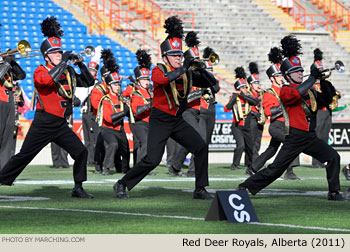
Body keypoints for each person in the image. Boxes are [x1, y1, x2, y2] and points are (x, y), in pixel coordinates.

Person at [113, 16, 217, 200]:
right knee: (152, 159)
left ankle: (200, 188)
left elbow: (213, 83)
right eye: (174, 55)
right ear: (165, 57)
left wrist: (201, 69)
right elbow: (163, 80)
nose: (178, 57)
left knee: (200, 147)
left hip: (177, 120)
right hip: (160, 119)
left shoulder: (186, 73)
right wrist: (185, 67)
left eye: (180, 54)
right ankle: (122, 183)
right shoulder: (158, 69)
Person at [238, 35, 345, 201]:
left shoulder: (308, 89)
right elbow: (296, 94)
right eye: (297, 71)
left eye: (302, 70)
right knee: (276, 169)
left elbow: (326, 99)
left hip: (310, 136)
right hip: (295, 136)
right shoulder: (286, 90)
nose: (301, 73)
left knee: (333, 157)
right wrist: (312, 78)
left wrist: (322, 80)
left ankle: (334, 192)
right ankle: (245, 186)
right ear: (288, 75)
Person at [0, 16, 94, 198]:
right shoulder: (41, 70)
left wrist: (80, 63)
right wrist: (65, 62)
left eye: (60, 51)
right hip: (43, 122)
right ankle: (2, 179)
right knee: (24, 156)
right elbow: (48, 81)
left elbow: (88, 81)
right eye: (55, 52)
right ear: (46, 56)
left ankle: (78, 187)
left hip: (59, 124)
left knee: (81, 152)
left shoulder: (67, 71)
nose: (59, 54)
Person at [248, 47, 300, 180]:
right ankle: (289, 172)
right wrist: (283, 106)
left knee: (272, 149)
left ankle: (253, 167)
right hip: (277, 126)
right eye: (278, 76)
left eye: (282, 75)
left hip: (287, 124)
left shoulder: (286, 89)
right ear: (272, 78)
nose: (281, 78)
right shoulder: (269, 93)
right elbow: (267, 111)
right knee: (293, 143)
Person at [96, 54, 131, 176]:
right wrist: (124, 112)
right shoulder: (105, 99)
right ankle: (106, 167)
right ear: (109, 86)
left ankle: (125, 169)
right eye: (115, 85)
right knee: (113, 144)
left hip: (119, 129)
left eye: (119, 84)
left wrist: (128, 107)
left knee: (125, 148)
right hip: (108, 129)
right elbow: (108, 119)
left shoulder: (121, 99)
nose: (118, 87)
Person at [224, 67, 259, 171]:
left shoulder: (249, 98)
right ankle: (234, 164)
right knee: (240, 146)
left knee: (250, 146)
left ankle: (250, 164)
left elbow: (255, 102)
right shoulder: (234, 98)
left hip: (247, 126)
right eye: (243, 88)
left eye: (245, 87)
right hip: (237, 126)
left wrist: (245, 96)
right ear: (238, 89)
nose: (245, 90)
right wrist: (234, 98)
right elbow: (226, 109)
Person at [0, 48, 26, 170]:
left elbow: (21, 75)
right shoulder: (3, 66)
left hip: (8, 102)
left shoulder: (5, 65)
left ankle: (4, 172)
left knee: (7, 139)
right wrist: (6, 63)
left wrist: (12, 62)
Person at [128, 49, 153, 164]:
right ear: (138, 81)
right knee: (145, 143)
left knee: (150, 146)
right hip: (139, 123)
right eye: (144, 79)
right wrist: (150, 104)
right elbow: (136, 110)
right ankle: (139, 166)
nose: (146, 81)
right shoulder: (136, 93)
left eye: (147, 79)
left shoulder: (151, 92)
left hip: (150, 122)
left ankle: (145, 166)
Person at [244, 62, 264, 174]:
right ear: (251, 84)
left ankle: (250, 167)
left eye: (258, 82)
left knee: (257, 144)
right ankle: (254, 166)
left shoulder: (261, 93)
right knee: (252, 145)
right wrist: (254, 113)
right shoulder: (247, 94)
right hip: (251, 120)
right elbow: (246, 107)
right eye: (255, 83)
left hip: (260, 121)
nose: (258, 84)